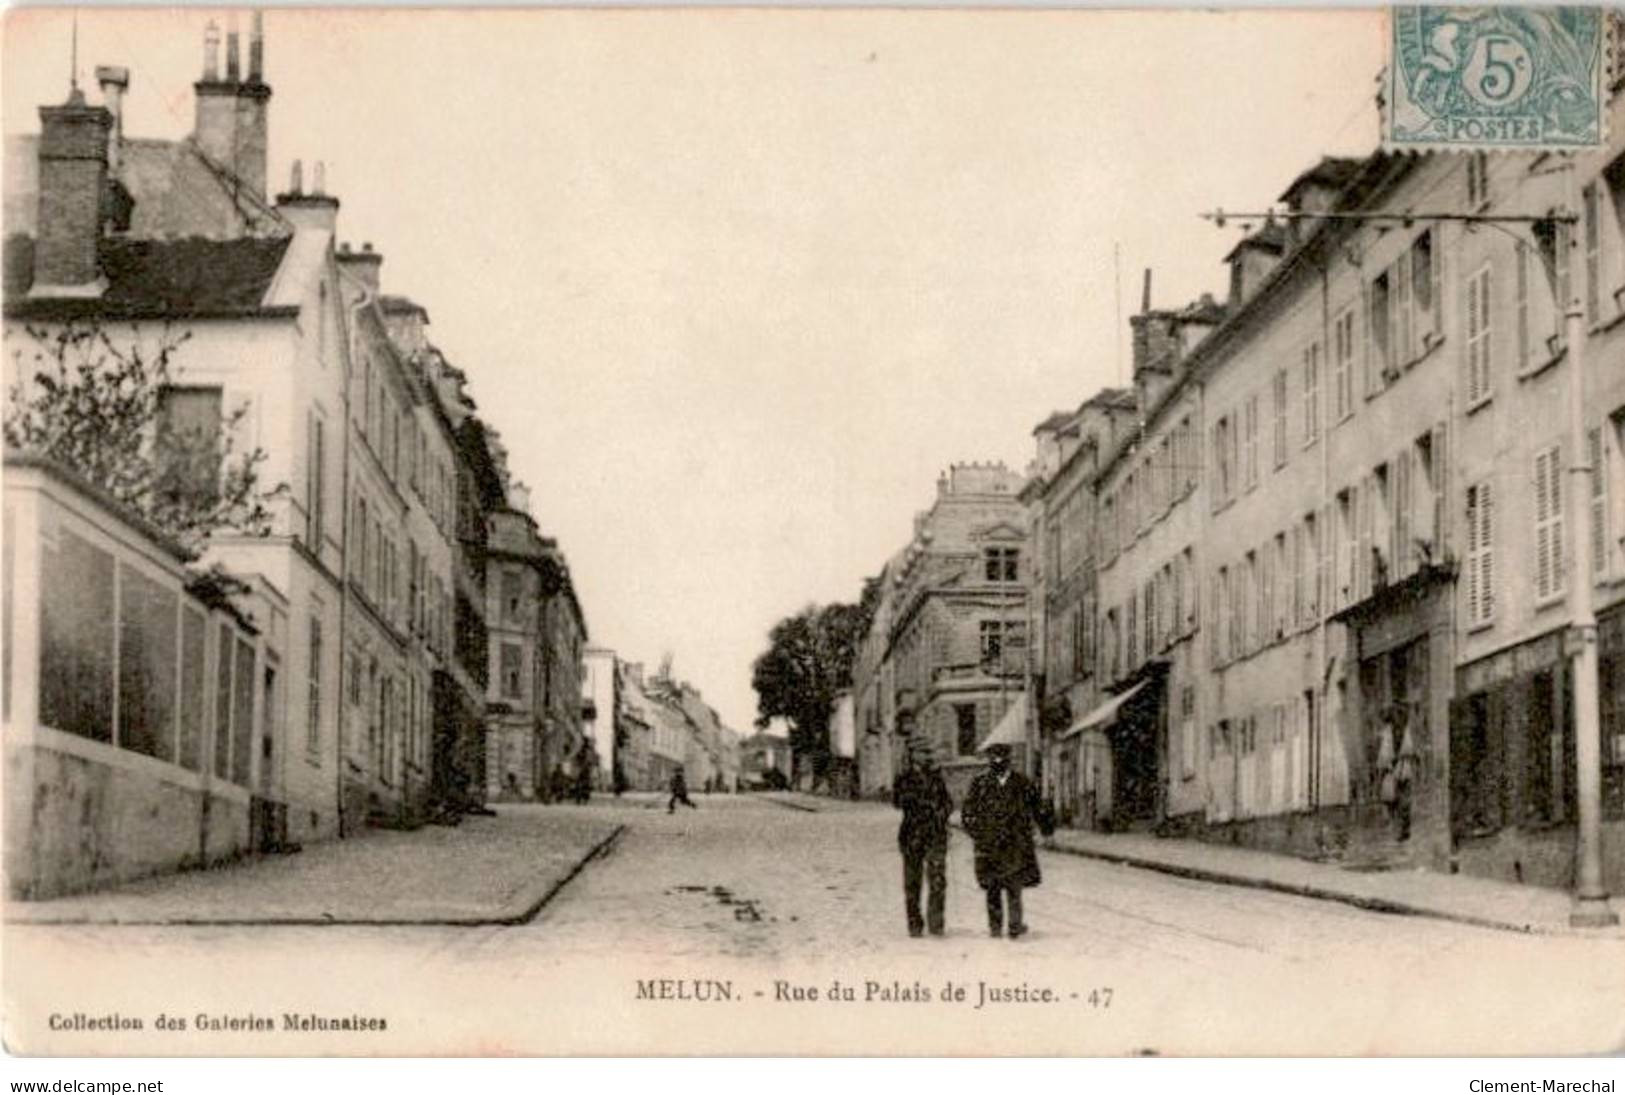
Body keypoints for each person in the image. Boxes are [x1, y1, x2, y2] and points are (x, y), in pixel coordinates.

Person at [961, 742, 1053, 939]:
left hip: (1016, 842)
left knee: (1014, 885)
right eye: (994, 758)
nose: (998, 762)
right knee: (992, 886)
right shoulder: (980, 783)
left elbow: (1037, 807)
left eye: (1002, 758)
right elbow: (968, 812)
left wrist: (1046, 829)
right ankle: (995, 926)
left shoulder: (1022, 783)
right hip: (989, 843)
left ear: (1009, 761)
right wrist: (977, 833)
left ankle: (1014, 925)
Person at [892, 743, 953, 938]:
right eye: (922, 752)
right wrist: (921, 803)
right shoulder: (904, 778)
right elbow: (897, 802)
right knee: (912, 883)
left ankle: (936, 923)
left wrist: (942, 813)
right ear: (913, 755)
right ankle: (914, 924)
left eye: (928, 752)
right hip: (912, 835)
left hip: (935, 834)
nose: (927, 756)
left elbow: (947, 802)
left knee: (937, 880)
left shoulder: (936, 777)